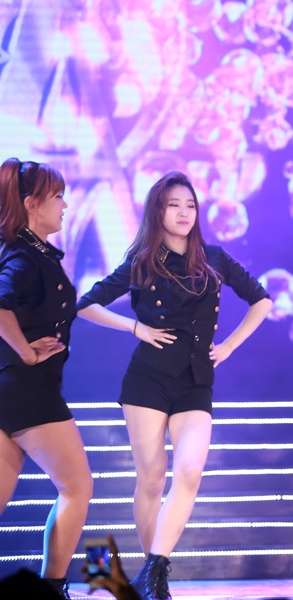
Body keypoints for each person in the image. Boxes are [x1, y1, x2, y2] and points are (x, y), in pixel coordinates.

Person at [76, 171, 273, 600]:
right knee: (151, 480)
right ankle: (154, 582)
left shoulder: (214, 259)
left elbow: (261, 300)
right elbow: (86, 304)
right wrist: (135, 328)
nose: (184, 213)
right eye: (174, 205)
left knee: (189, 470)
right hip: (148, 378)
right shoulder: (142, 260)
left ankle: (154, 569)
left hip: (196, 381)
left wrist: (230, 345)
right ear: (158, 210)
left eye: (190, 205)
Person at [0, 158, 93, 599]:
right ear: (31, 204)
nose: (65, 205)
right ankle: (53, 589)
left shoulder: (26, 252)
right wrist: (25, 351)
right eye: (57, 197)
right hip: (29, 392)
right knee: (78, 487)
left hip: (11, 389)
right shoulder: (24, 257)